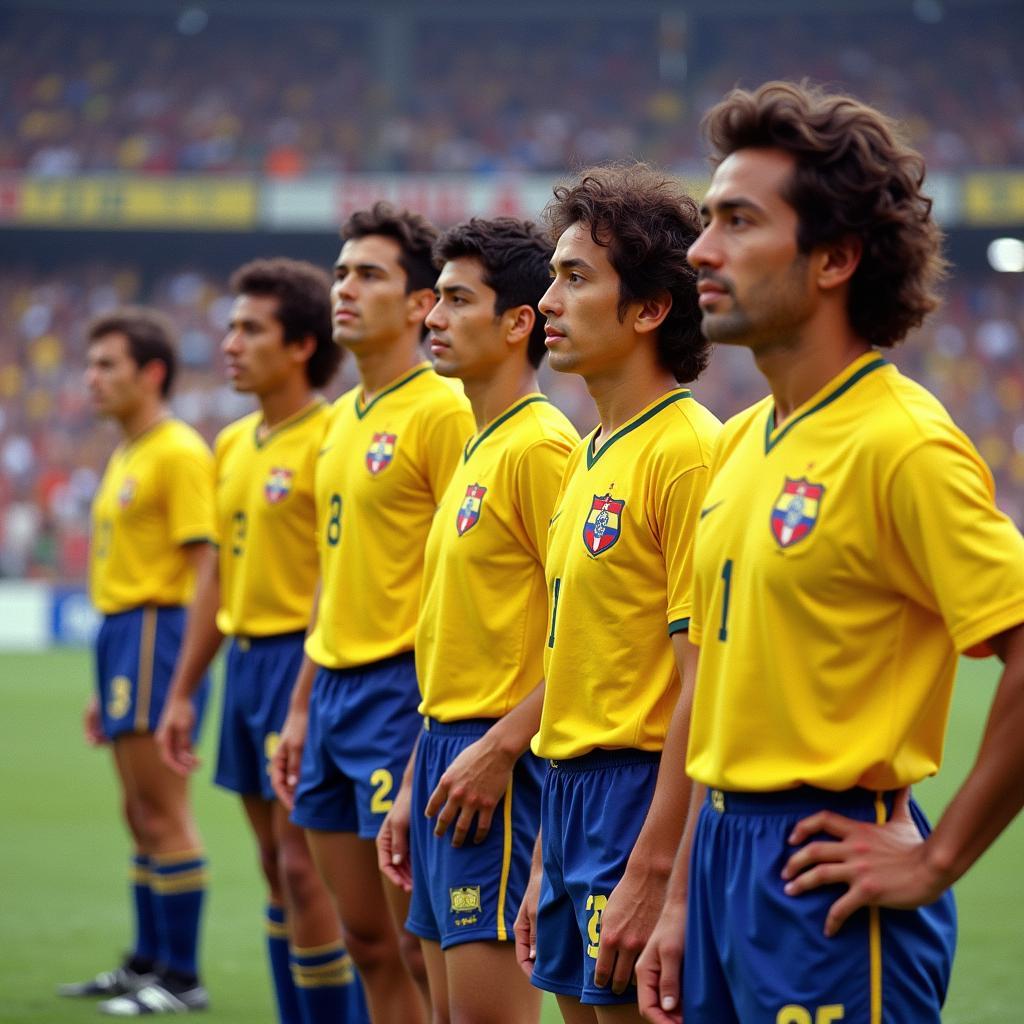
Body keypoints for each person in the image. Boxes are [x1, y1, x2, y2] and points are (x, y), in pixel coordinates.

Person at [636, 81, 1024, 1024]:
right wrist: (683, 895)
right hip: (721, 857)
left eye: (738, 220)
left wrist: (937, 858)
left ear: (835, 258)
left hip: (826, 866)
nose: (700, 249)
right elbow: (715, 693)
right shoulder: (737, 442)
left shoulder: (903, 443)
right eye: (705, 219)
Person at [513, 165, 721, 1023]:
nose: (549, 300)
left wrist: (654, 866)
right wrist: (541, 864)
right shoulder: (591, 450)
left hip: (640, 797)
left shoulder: (687, 451)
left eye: (575, 277)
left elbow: (702, 680)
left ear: (648, 310)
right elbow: (576, 661)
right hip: (570, 802)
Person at [271, 202, 475, 1023]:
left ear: (422, 302)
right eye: (341, 272)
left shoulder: (443, 410)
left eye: (369, 275)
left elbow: (471, 575)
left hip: (402, 696)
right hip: (330, 698)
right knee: (364, 942)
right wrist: (297, 707)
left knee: (421, 949)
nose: (344, 289)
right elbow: (334, 572)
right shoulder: (340, 423)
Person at [375, 217, 578, 1023]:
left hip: (499, 759)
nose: (432, 317)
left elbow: (587, 632)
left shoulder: (539, 449)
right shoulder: (478, 444)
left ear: (518, 322)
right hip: (444, 754)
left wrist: (500, 748)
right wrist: (418, 773)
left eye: (458, 300)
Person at [155, 259, 368, 1024]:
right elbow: (215, 577)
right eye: (230, 327)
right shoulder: (233, 444)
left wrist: (307, 682)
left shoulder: (332, 435)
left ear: (303, 344)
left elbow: (340, 571)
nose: (230, 344)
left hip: (300, 662)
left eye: (251, 329)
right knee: (278, 875)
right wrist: (182, 691)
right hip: (245, 665)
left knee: (309, 875)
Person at [61, 308, 215, 1015]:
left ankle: (181, 977)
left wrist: (177, 680)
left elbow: (201, 567)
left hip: (157, 631)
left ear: (152, 372)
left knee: (163, 807)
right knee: (137, 810)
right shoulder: (128, 450)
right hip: (123, 638)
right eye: (91, 365)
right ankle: (147, 961)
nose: (92, 379)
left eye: (108, 365)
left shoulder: (177, 452)